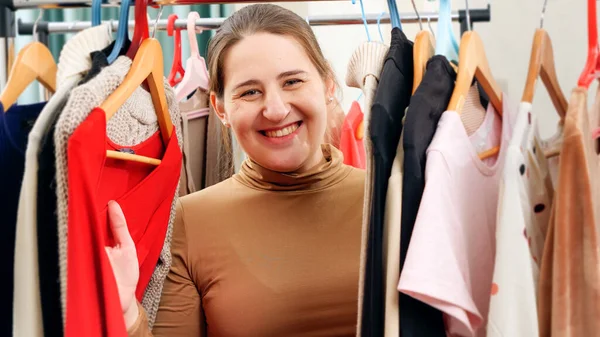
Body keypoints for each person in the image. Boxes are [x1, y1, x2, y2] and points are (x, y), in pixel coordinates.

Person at [106, 4, 365, 336]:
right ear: (221, 108)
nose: (275, 109)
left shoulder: (388, 200)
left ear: (328, 84)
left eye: (292, 82)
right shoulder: (189, 221)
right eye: (250, 92)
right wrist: (126, 313)